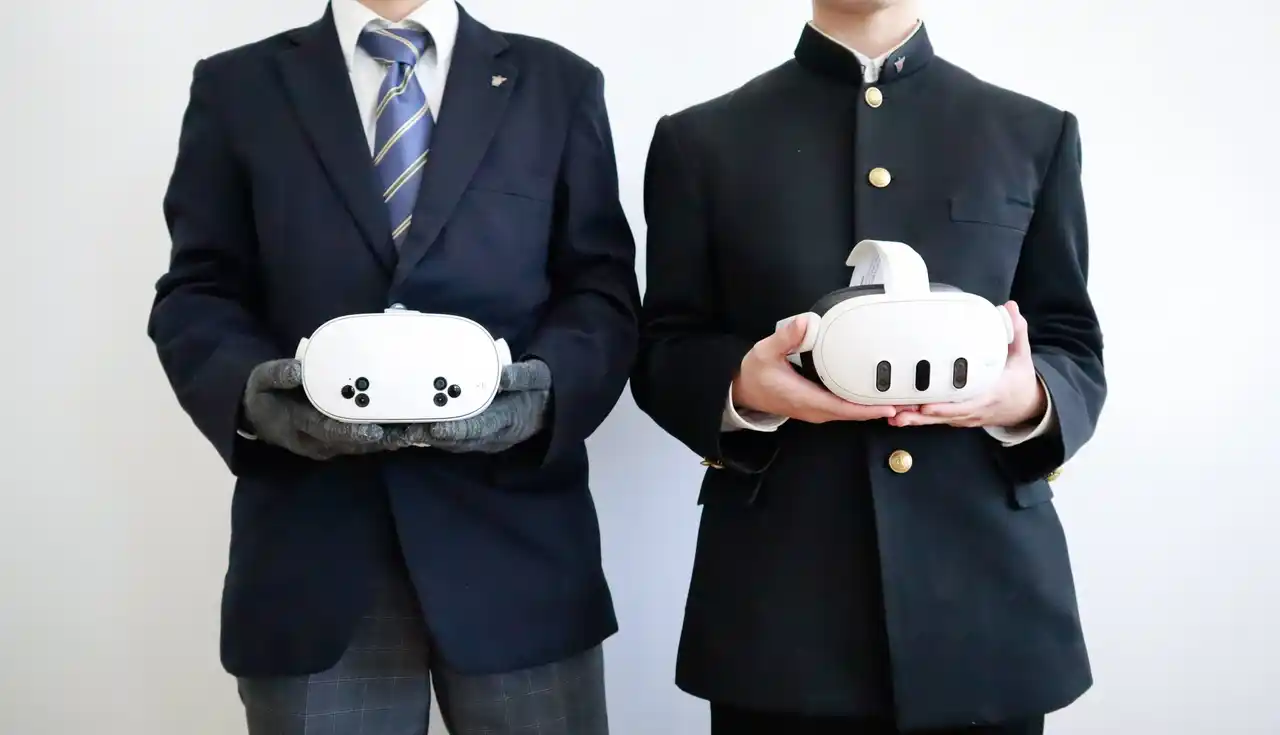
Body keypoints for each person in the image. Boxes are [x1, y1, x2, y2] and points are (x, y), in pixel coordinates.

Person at [146, 0, 639, 732]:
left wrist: (543, 395)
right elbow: (198, 290)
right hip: (313, 553)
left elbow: (600, 289)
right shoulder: (237, 87)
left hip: (517, 548)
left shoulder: (556, 83)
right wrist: (252, 395)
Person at [630, 0, 1106, 733]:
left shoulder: (1033, 132)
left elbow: (1071, 341)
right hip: (783, 613)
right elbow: (665, 343)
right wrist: (746, 388)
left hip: (985, 605)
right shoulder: (699, 140)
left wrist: (1026, 397)